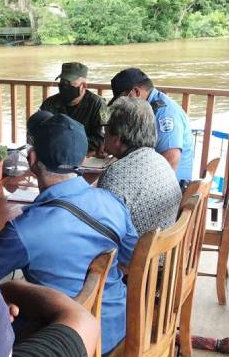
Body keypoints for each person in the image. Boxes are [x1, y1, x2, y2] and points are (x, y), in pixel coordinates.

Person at [0, 114, 137, 356]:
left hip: (67, 346)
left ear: (32, 159)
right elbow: (134, 259)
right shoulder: (111, 202)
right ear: (81, 158)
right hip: (118, 325)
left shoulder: (25, 230)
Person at [99, 97, 181, 236]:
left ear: (117, 138)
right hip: (162, 253)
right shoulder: (161, 162)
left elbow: (102, 231)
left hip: (137, 256)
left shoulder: (115, 176)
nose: (103, 135)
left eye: (105, 130)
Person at [109, 68, 194, 188]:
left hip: (169, 189)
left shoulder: (164, 113)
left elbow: (171, 159)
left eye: (123, 99)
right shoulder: (145, 107)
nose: (123, 105)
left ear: (136, 92)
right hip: (154, 179)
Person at [40, 62, 107, 155]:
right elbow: (37, 130)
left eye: (69, 83)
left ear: (83, 86)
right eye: (62, 82)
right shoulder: (49, 103)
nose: (64, 87)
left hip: (85, 155)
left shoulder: (99, 105)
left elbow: (102, 137)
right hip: (54, 155)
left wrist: (70, 143)